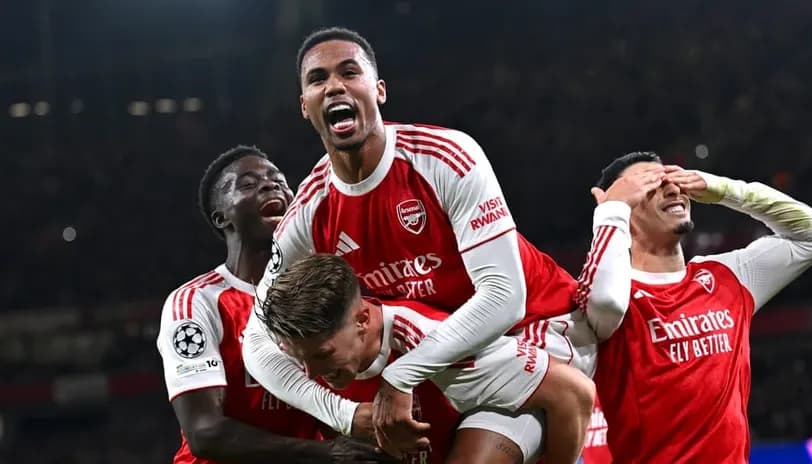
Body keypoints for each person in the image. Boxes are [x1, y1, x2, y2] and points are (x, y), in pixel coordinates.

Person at [241, 26, 592, 463]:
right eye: (318, 79)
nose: (334, 86)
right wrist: (346, 415)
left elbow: (506, 298)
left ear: (378, 90)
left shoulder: (445, 157)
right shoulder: (308, 215)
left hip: (526, 333)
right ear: (305, 106)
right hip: (432, 350)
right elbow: (256, 340)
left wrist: (402, 375)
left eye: (350, 73)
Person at [585, 151, 812, 463]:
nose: (673, 188)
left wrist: (726, 190)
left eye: (674, 179)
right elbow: (599, 300)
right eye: (650, 184)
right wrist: (610, 214)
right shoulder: (610, 296)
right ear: (624, 208)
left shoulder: (729, 276)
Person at [156, 145, 390, 463]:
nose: (270, 185)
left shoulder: (327, 290)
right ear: (220, 216)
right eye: (249, 184)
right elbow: (204, 433)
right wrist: (325, 453)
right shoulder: (196, 302)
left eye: (277, 179)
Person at [258, 252, 596, 464]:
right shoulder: (307, 345)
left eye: (321, 355)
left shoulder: (437, 343)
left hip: (511, 411)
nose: (310, 373)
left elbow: (574, 391)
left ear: (363, 321)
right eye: (299, 359)